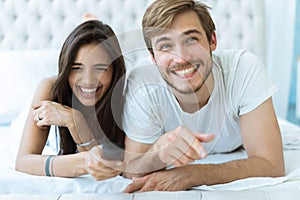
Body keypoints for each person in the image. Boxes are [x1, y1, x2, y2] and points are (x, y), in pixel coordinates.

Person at [122, 0, 284, 192]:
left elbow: (271, 165)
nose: (181, 58)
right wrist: (157, 153)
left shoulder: (244, 68)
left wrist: (193, 174)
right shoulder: (143, 83)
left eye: (191, 39)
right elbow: (131, 169)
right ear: (153, 56)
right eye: (165, 46)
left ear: (212, 41)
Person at [15, 20, 126, 180]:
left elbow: (109, 168)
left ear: (115, 70)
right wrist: (83, 161)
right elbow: (23, 162)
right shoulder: (50, 88)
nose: (88, 80)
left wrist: (75, 121)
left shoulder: (126, 95)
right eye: (76, 68)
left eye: (100, 68)